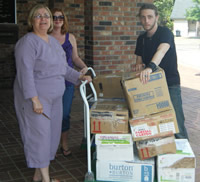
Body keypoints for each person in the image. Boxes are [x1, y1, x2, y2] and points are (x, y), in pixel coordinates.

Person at [13, 4, 91, 182]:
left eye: (46, 16)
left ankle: (37, 176)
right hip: (37, 100)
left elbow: (63, 68)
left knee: (51, 137)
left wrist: (80, 77)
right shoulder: (27, 42)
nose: (43, 19)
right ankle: (46, 180)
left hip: (56, 98)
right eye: (38, 16)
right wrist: (34, 99)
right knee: (39, 137)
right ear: (31, 20)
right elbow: (25, 72)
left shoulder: (54, 42)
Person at [134, 3, 188, 139]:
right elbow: (138, 61)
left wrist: (149, 68)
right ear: (140, 19)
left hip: (170, 84)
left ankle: (185, 156)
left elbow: (161, 50)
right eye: (143, 17)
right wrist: (139, 67)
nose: (146, 21)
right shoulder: (141, 39)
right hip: (152, 85)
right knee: (157, 122)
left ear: (156, 17)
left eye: (150, 17)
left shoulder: (165, 33)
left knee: (177, 122)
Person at [50, 8, 88, 157]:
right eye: (54, 17)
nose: (58, 19)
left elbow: (75, 58)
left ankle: (64, 143)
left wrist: (85, 67)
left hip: (68, 81)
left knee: (65, 114)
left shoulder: (70, 37)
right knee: (51, 115)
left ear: (64, 19)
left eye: (60, 17)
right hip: (51, 82)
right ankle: (51, 145)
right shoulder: (45, 37)